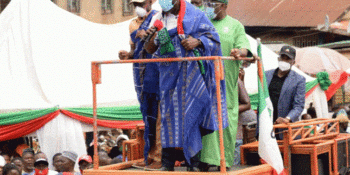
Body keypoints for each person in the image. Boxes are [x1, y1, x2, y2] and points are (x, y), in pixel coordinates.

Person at [144, 0, 227, 171]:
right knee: (167, 116)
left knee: (192, 112)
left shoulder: (196, 15)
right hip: (168, 75)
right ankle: (167, 163)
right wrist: (151, 36)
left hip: (191, 74)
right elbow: (149, 49)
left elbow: (214, 38)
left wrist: (197, 41)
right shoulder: (158, 18)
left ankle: (193, 163)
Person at [199, 0, 253, 170]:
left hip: (226, 85)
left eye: (212, 3)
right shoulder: (202, 22)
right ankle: (205, 160)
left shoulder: (235, 26)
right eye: (206, 3)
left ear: (223, 5)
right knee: (205, 119)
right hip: (204, 82)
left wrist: (239, 52)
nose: (208, 7)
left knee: (225, 121)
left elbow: (245, 48)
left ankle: (224, 161)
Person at [118, 0, 162, 170]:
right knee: (146, 115)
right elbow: (133, 51)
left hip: (155, 70)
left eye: (141, 3)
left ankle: (159, 156)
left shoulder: (157, 18)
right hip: (140, 73)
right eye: (135, 3)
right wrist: (126, 55)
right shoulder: (132, 24)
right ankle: (150, 156)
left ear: (150, 2)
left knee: (157, 115)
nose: (137, 6)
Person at [266, 46, 305, 139]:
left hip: (286, 129)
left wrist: (287, 118)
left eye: (288, 59)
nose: (284, 61)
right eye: (283, 57)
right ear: (278, 58)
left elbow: (299, 105)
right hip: (267, 126)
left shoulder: (299, 80)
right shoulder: (266, 75)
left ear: (293, 62)